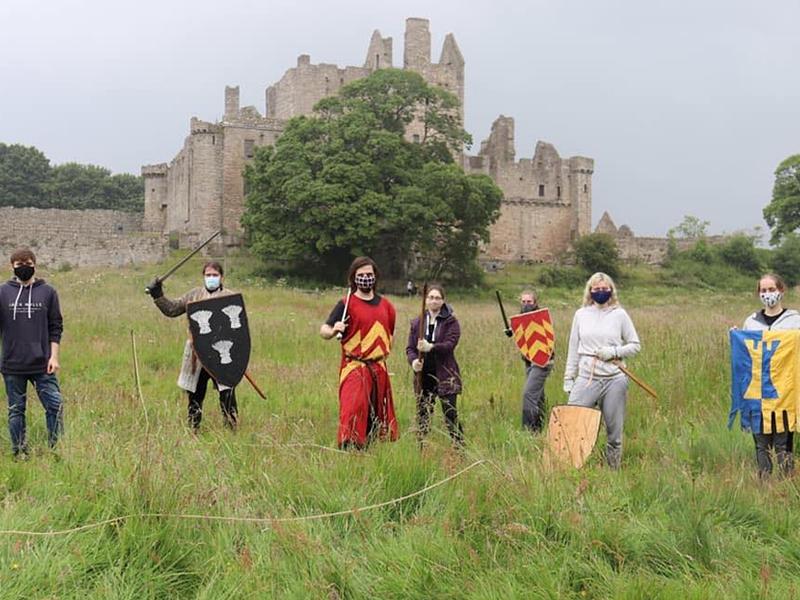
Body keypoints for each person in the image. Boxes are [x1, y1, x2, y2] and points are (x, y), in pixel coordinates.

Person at [147, 261, 238, 431]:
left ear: (221, 277)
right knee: (196, 394)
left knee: (227, 393)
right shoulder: (194, 295)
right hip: (198, 354)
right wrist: (157, 295)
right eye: (208, 275)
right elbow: (172, 309)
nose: (211, 278)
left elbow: (237, 327)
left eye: (215, 275)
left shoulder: (230, 297)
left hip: (222, 353)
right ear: (203, 276)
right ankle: (193, 429)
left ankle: (232, 428)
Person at [563, 272, 640, 469]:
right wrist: (569, 378)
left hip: (614, 378)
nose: (601, 292)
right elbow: (573, 347)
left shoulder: (619, 314)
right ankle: (571, 466)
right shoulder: (581, 315)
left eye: (605, 289)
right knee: (572, 422)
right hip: (587, 377)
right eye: (597, 289)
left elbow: (634, 345)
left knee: (614, 431)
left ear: (611, 291)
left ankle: (612, 471)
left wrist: (613, 351)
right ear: (590, 291)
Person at [320, 257, 399, 449]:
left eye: (369, 275)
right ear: (354, 278)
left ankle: (370, 453)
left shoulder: (387, 306)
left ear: (375, 276)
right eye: (361, 275)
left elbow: (390, 335)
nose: (366, 278)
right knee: (352, 411)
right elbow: (324, 331)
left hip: (378, 368)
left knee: (377, 415)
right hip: (354, 366)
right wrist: (334, 329)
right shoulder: (346, 304)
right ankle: (349, 453)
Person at [0, 248, 64, 458]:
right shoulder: (3, 292)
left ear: (34, 264)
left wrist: (54, 356)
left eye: (26, 263)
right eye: (18, 265)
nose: (23, 267)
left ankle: (56, 450)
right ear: (12, 267)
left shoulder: (48, 292)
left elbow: (55, 326)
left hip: (42, 364)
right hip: (12, 364)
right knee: (16, 411)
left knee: (55, 406)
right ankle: (19, 452)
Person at [741, 273, 800, 478]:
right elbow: (745, 355)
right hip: (758, 390)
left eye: (771, 289)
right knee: (761, 441)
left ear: (781, 290)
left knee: (783, 442)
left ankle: (786, 484)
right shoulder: (751, 322)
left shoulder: (794, 321)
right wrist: (735, 338)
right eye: (763, 290)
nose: (767, 294)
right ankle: (764, 484)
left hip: (785, 390)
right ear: (759, 294)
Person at [406, 283, 464, 447]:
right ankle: (421, 447)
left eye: (437, 298)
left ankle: (459, 446)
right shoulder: (417, 322)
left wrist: (432, 347)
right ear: (425, 300)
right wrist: (414, 362)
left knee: (450, 414)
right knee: (423, 413)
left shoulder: (451, 322)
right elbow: (410, 348)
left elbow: (450, 345)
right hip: (423, 375)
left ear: (443, 301)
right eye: (431, 297)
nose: (434, 301)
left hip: (445, 373)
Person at [517, 289, 553, 432]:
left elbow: (544, 340)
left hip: (542, 362)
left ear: (535, 302)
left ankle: (529, 430)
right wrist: (513, 331)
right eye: (524, 301)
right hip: (529, 361)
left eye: (529, 302)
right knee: (538, 397)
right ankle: (540, 429)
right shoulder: (521, 317)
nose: (526, 304)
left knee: (529, 394)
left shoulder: (540, 317)